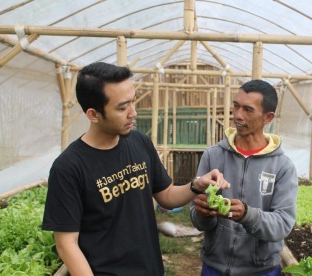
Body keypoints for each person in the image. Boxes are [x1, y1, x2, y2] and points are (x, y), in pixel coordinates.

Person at [42, 62, 229, 276]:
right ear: (93, 114)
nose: (133, 113)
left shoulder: (139, 142)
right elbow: (67, 243)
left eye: (133, 101)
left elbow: (167, 195)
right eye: (122, 107)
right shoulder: (69, 167)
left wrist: (197, 184)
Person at [190, 79, 298, 276]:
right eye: (236, 106)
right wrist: (202, 213)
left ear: (268, 117)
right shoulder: (213, 155)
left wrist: (247, 214)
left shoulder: (282, 167)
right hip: (214, 266)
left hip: (261, 270)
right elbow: (197, 220)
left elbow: (283, 224)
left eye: (248, 110)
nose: (238, 115)